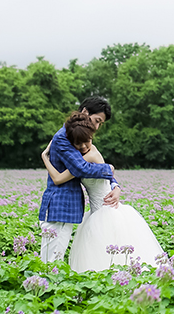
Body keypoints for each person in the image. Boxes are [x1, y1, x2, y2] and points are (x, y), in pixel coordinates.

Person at [42, 113, 164, 272]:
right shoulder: (80, 158)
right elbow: (62, 178)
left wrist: (45, 158)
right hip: (95, 211)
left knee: (113, 252)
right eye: (79, 143)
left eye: (87, 141)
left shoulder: (87, 157)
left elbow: (59, 178)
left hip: (107, 209)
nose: (84, 146)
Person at [38, 96, 121, 263]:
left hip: (72, 207)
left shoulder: (81, 138)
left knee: (54, 259)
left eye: (100, 124)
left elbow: (94, 164)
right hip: (60, 206)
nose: (97, 127)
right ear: (85, 112)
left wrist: (115, 185)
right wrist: (109, 168)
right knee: (51, 261)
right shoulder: (64, 137)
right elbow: (81, 168)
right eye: (97, 121)